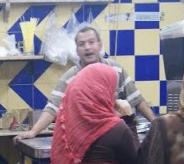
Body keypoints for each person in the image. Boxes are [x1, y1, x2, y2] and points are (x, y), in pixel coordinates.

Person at [14, 26, 155, 143]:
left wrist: (157, 125)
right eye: (82, 44)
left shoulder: (116, 70)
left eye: (91, 42)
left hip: (114, 138)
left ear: (100, 45)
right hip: (84, 141)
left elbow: (136, 99)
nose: (87, 47)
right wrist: (33, 132)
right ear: (77, 50)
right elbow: (53, 107)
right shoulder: (70, 78)